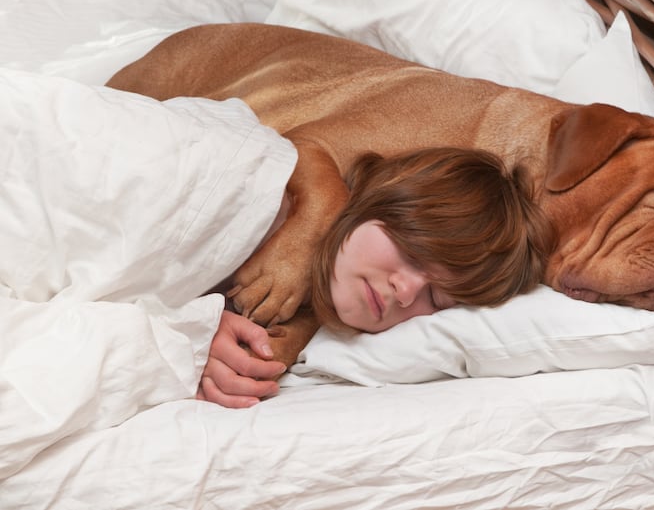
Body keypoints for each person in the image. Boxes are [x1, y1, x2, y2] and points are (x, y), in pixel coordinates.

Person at [199, 147, 555, 408]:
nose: (406, 292)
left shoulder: (336, 290)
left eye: (436, 299)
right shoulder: (259, 196)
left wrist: (198, 331)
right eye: (413, 253)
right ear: (383, 196)